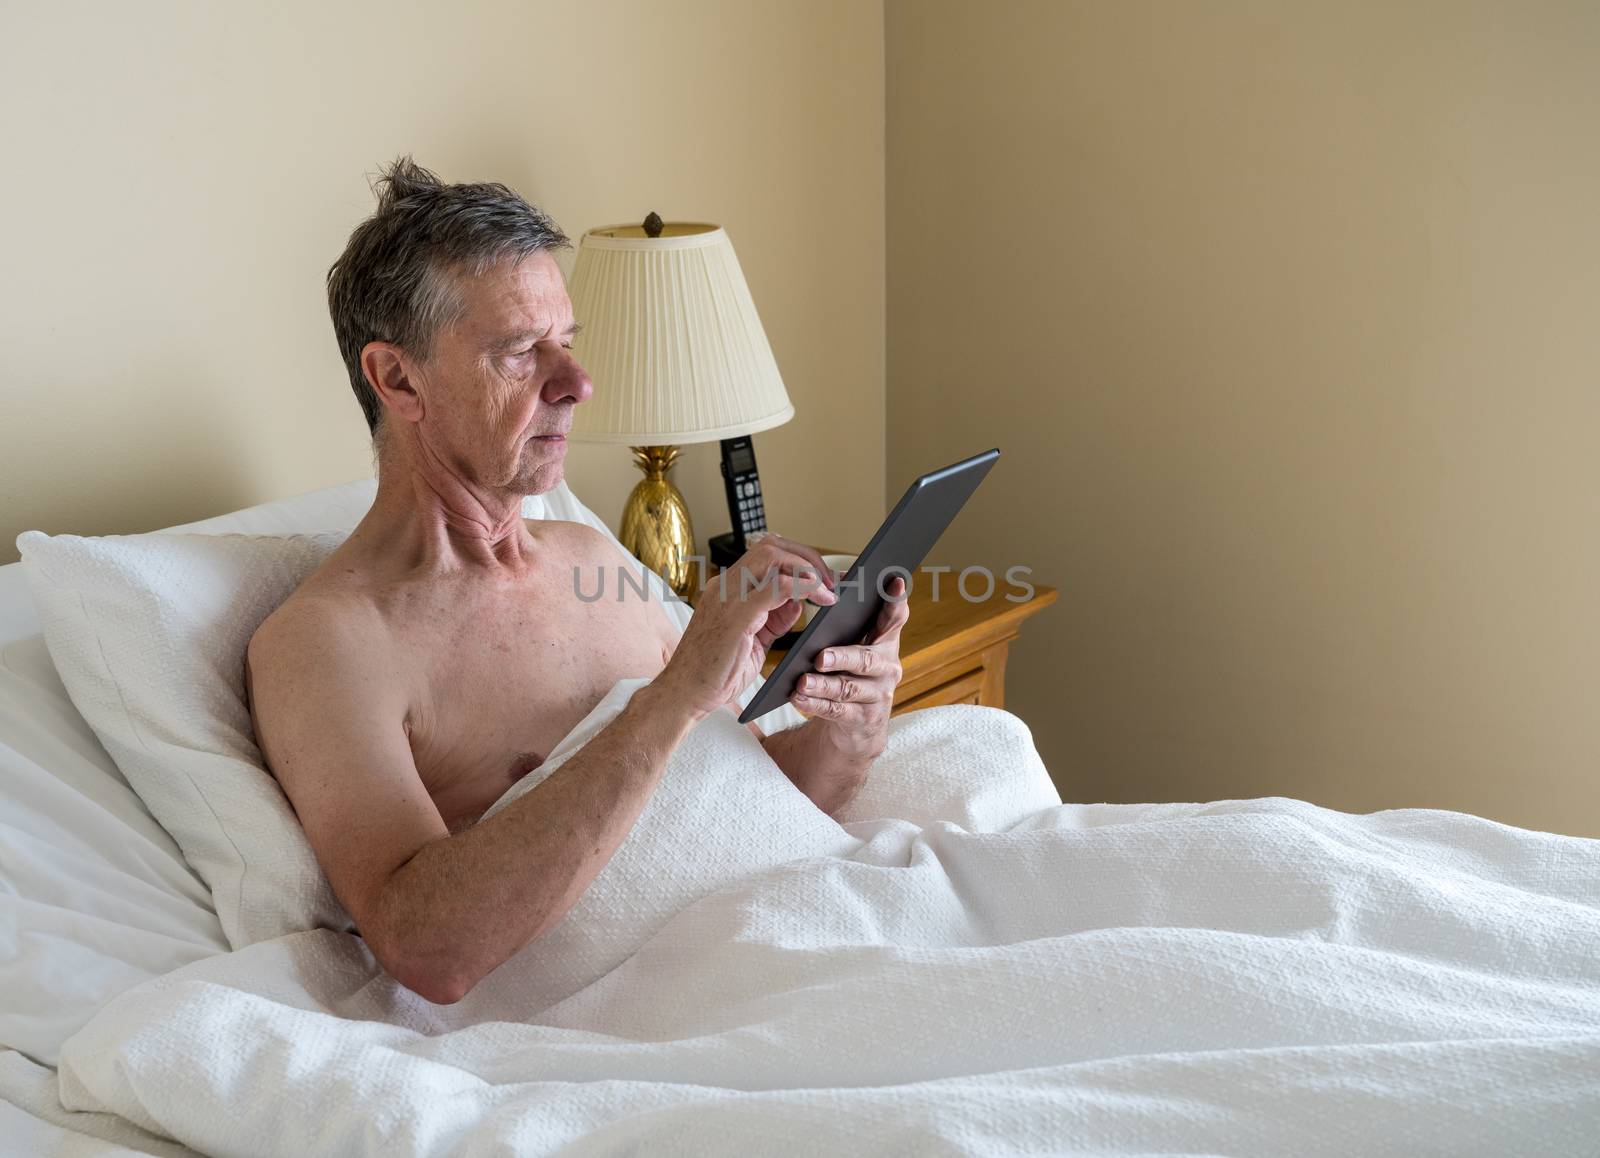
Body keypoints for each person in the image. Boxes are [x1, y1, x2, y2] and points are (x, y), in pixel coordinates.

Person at [243, 157, 908, 1005]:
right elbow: (426, 948)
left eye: (569, 341)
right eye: (522, 352)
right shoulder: (330, 644)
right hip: (659, 1001)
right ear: (397, 378)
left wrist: (856, 720)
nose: (578, 383)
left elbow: (759, 805)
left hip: (801, 929)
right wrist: (673, 695)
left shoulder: (590, 558)